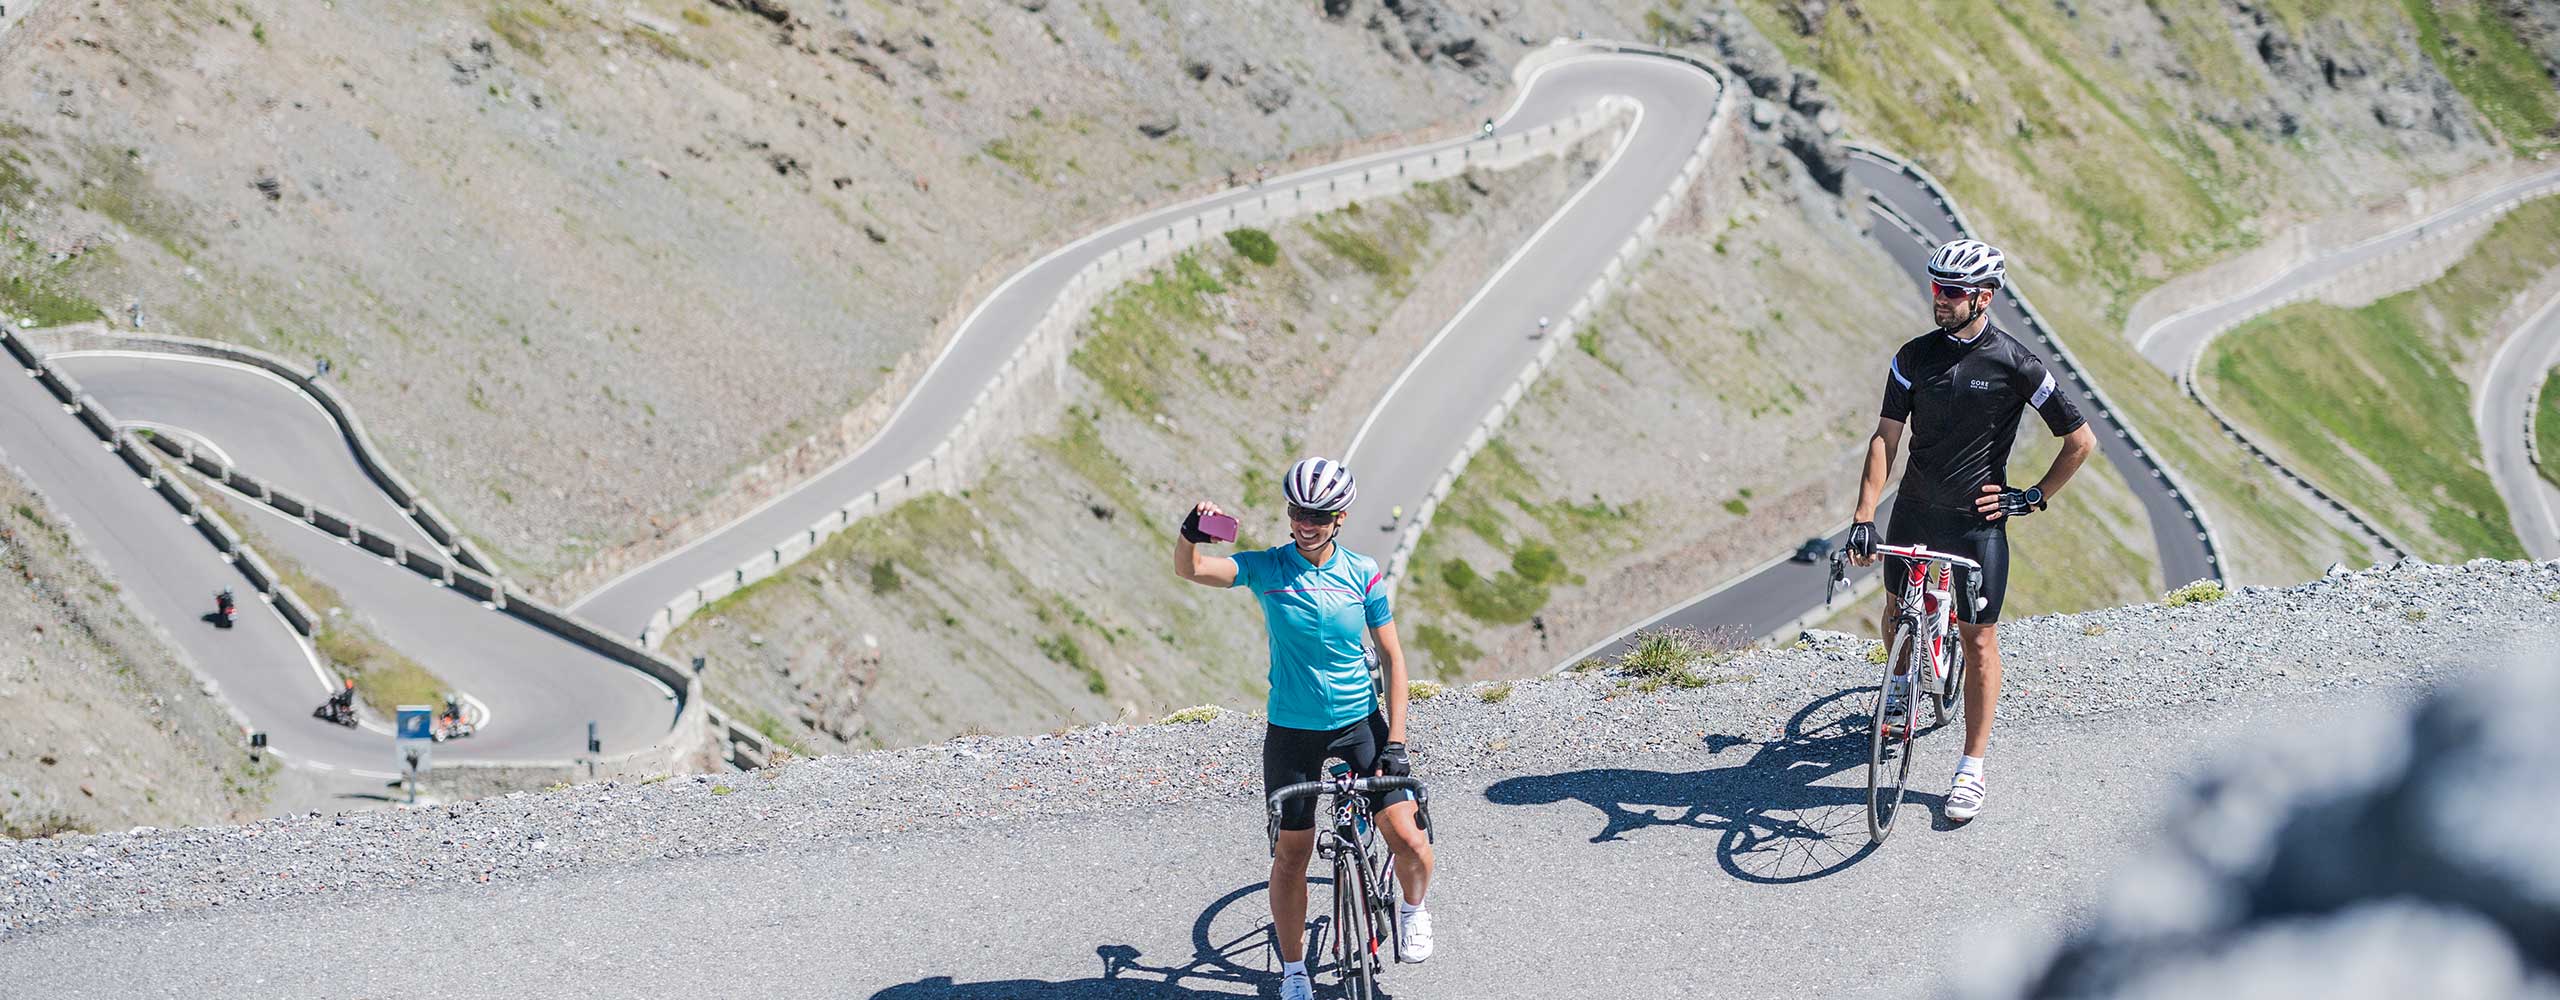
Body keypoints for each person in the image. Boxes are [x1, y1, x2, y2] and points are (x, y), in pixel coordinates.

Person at [1844, 238, 2095, 825]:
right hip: (1913, 510)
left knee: (1978, 640)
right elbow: (1886, 438)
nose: (1940, 299)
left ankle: (1971, 766)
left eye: (1952, 291)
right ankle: (1902, 683)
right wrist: (1863, 516)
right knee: (1895, 608)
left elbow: (2079, 442)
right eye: (1936, 287)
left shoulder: (2016, 364)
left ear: (1984, 297)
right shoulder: (1912, 357)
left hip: (1976, 524)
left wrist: (2030, 498)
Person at [1173, 457, 1436, 1000]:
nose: (1305, 522)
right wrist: (1189, 534)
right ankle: (1294, 970)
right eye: (1297, 511)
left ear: (1339, 517)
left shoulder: (1362, 573)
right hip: (1291, 731)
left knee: (1409, 838)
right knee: (1292, 855)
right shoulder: (1269, 568)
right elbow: (1192, 570)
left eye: (1317, 514)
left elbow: (1392, 658)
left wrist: (1398, 742)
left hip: (1359, 724)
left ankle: (1412, 908)